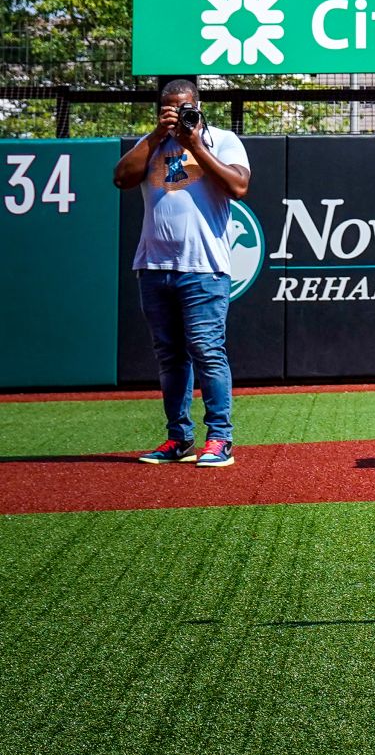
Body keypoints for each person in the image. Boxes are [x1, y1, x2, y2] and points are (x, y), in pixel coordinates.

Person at [112, 77, 251, 467]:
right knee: (170, 357)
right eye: (171, 107)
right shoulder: (151, 143)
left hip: (203, 267)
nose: (179, 113)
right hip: (154, 266)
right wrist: (159, 135)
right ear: (161, 109)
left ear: (199, 105)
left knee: (207, 351)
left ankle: (220, 439)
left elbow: (238, 186)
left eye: (185, 106)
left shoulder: (222, 140)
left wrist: (193, 144)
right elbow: (121, 178)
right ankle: (179, 438)